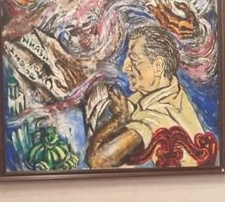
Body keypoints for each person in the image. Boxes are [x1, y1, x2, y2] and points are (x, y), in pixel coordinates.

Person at [87, 25, 209, 168]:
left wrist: (119, 119)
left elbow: (98, 161)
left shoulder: (157, 118)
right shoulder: (170, 95)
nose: (125, 68)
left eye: (134, 60)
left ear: (158, 66)